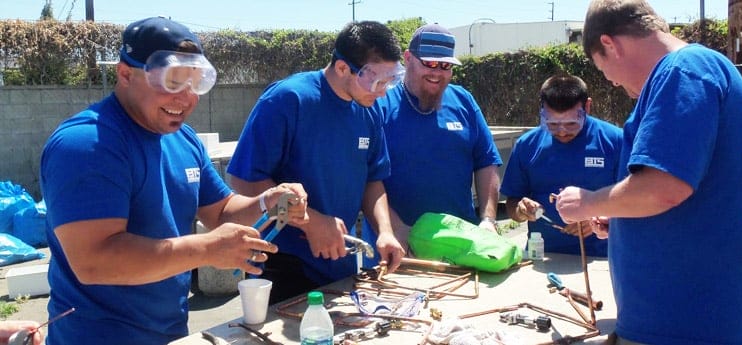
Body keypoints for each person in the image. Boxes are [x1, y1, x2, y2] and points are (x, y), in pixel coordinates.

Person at [39, 17, 308, 345]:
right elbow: (94, 261)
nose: (186, 98)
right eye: (171, 82)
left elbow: (221, 211)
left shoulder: (183, 140)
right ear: (125, 74)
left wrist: (268, 201)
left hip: (170, 333)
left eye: (195, 84)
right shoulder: (87, 144)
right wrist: (207, 248)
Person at [555, 1, 742, 344]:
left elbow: (663, 189)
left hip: (681, 326)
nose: (613, 83)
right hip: (695, 322)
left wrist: (588, 202)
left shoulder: (683, 71)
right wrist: (621, 215)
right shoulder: (704, 71)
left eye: (604, 69)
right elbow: (692, 192)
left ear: (610, 44)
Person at [227, 21, 406, 304]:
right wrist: (310, 222)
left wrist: (385, 231)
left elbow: (373, 180)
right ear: (343, 68)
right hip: (283, 263)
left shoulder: (369, 111)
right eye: (376, 82)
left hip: (340, 263)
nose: (383, 92)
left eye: (389, 81)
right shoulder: (288, 100)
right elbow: (244, 181)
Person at [370, 23, 503, 248]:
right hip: (398, 246)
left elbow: (486, 162)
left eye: (445, 65)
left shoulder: (463, 101)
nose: (437, 72)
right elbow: (367, 178)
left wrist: (488, 219)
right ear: (408, 58)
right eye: (429, 63)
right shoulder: (380, 104)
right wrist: (396, 229)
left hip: (460, 244)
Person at [500, 75, 621, 257]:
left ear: (587, 107)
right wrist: (521, 210)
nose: (562, 132)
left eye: (571, 123)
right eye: (552, 124)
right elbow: (512, 203)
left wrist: (602, 219)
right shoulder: (527, 145)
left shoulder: (615, 141)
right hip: (543, 255)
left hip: (603, 257)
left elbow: (637, 199)